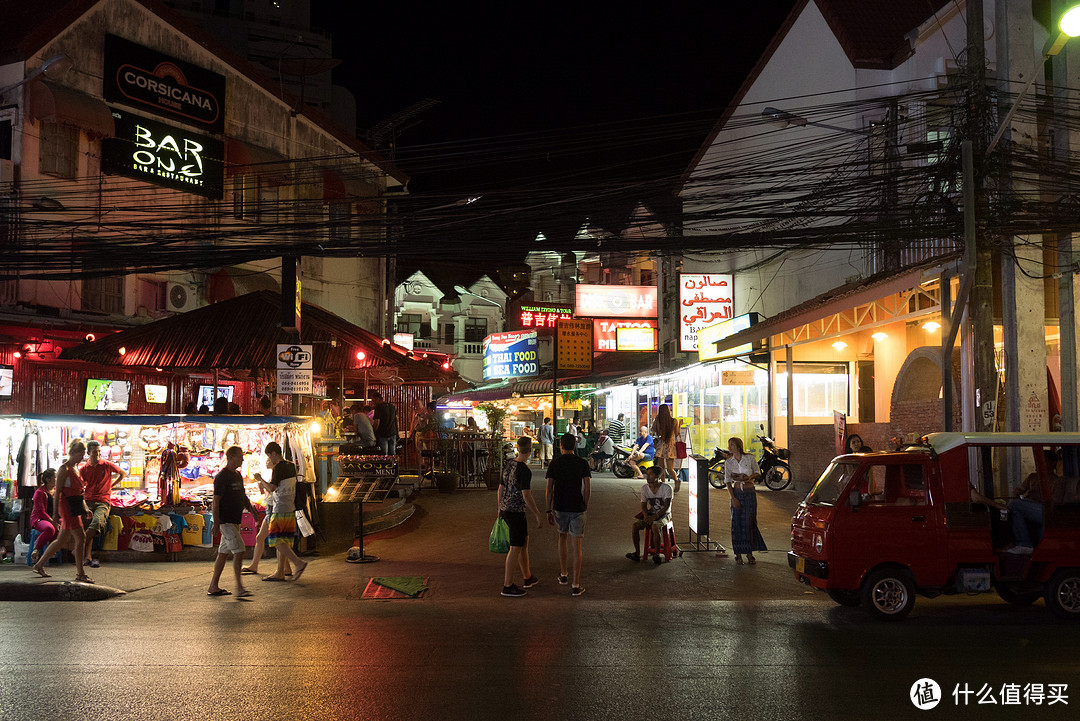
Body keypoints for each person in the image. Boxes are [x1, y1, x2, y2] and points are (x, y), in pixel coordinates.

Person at [31, 439, 92, 583]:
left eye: (83, 454)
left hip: (74, 507)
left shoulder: (76, 469)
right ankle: (80, 573)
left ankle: (39, 565)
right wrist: (54, 515)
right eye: (80, 454)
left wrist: (86, 508)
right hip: (67, 508)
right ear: (73, 453)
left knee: (61, 540)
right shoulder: (64, 469)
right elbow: (58, 491)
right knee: (80, 538)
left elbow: (79, 492)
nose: (82, 457)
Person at [207, 446, 259, 597]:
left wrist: (252, 511)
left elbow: (243, 496)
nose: (242, 459)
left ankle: (213, 586)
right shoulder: (222, 477)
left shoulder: (237, 475)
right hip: (226, 521)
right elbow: (215, 502)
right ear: (230, 458)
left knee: (223, 553)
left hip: (235, 521)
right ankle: (240, 588)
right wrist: (216, 523)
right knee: (239, 550)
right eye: (239, 457)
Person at [545, 433, 592, 597]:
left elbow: (549, 488)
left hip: (559, 507)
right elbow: (587, 487)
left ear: (561, 446)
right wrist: (585, 504)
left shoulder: (555, 463)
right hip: (577, 507)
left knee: (562, 538)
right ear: (575, 446)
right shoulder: (582, 463)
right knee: (577, 545)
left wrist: (548, 509)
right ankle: (576, 584)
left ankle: (564, 574)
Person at [256, 442, 309, 582]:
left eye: (269, 455)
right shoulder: (291, 465)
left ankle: (298, 563)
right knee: (283, 540)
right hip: (290, 507)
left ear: (274, 453)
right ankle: (281, 571)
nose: (270, 459)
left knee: (276, 539)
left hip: (280, 508)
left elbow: (272, 488)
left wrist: (260, 480)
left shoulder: (278, 467)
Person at [498, 437, 545, 597]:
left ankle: (527, 577)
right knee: (515, 547)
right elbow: (526, 496)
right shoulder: (524, 470)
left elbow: (500, 488)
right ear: (530, 450)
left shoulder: (509, 464)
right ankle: (508, 585)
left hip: (506, 509)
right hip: (516, 512)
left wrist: (499, 507)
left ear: (517, 448)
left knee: (523, 542)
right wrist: (537, 514)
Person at [80, 439, 126, 569]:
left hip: (103, 502)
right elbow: (81, 486)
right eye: (95, 452)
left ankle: (78, 548)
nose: (98, 454)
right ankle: (88, 557)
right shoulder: (84, 469)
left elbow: (123, 473)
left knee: (95, 525)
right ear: (88, 453)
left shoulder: (107, 464)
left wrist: (111, 485)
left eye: (99, 451)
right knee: (88, 526)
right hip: (88, 501)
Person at [1004, 449, 1059, 554]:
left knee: (1014, 505)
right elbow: (1021, 490)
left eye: (1044, 461)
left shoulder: (1056, 481)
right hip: (1029, 505)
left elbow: (1054, 501)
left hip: (1044, 510)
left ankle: (1024, 543)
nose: (1039, 465)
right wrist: (1018, 492)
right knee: (1008, 509)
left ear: (1052, 463)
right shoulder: (1032, 477)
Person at [725, 437, 767, 565]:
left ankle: (749, 553)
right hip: (737, 494)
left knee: (750, 522)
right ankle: (738, 554)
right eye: (729, 445)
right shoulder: (729, 462)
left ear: (738, 446)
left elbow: (757, 472)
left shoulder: (749, 458)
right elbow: (728, 481)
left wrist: (749, 477)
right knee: (736, 523)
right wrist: (733, 498)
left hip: (750, 493)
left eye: (732, 445)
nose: (729, 448)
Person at [626, 465, 673, 563]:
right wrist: (646, 516)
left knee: (655, 527)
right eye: (647, 474)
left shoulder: (667, 488)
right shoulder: (645, 488)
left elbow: (666, 507)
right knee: (635, 526)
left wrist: (655, 517)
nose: (648, 477)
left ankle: (656, 554)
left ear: (657, 476)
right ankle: (637, 553)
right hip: (651, 513)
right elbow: (643, 505)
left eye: (650, 475)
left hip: (664, 514)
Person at [29, 469, 57, 564]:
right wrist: (53, 521)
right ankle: (37, 549)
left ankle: (51, 550)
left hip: (51, 518)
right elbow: (41, 512)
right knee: (50, 528)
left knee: (65, 526)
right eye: (55, 477)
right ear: (48, 479)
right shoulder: (40, 492)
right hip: (39, 519)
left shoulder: (56, 491)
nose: (57, 479)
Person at [651, 404, 680, 491]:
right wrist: (680, 425)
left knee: (661, 467)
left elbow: (655, 431)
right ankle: (676, 481)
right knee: (670, 468)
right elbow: (677, 433)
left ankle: (663, 485)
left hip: (661, 444)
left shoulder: (658, 420)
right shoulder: (674, 421)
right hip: (671, 445)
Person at [371, 391, 398, 456]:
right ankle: (393, 465)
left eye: (373, 400)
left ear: (378, 398)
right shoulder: (392, 407)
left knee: (384, 455)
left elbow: (377, 422)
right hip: (392, 433)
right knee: (392, 454)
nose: (373, 402)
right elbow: (396, 420)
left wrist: (373, 431)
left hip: (383, 434)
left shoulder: (378, 407)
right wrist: (397, 432)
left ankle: (386, 466)